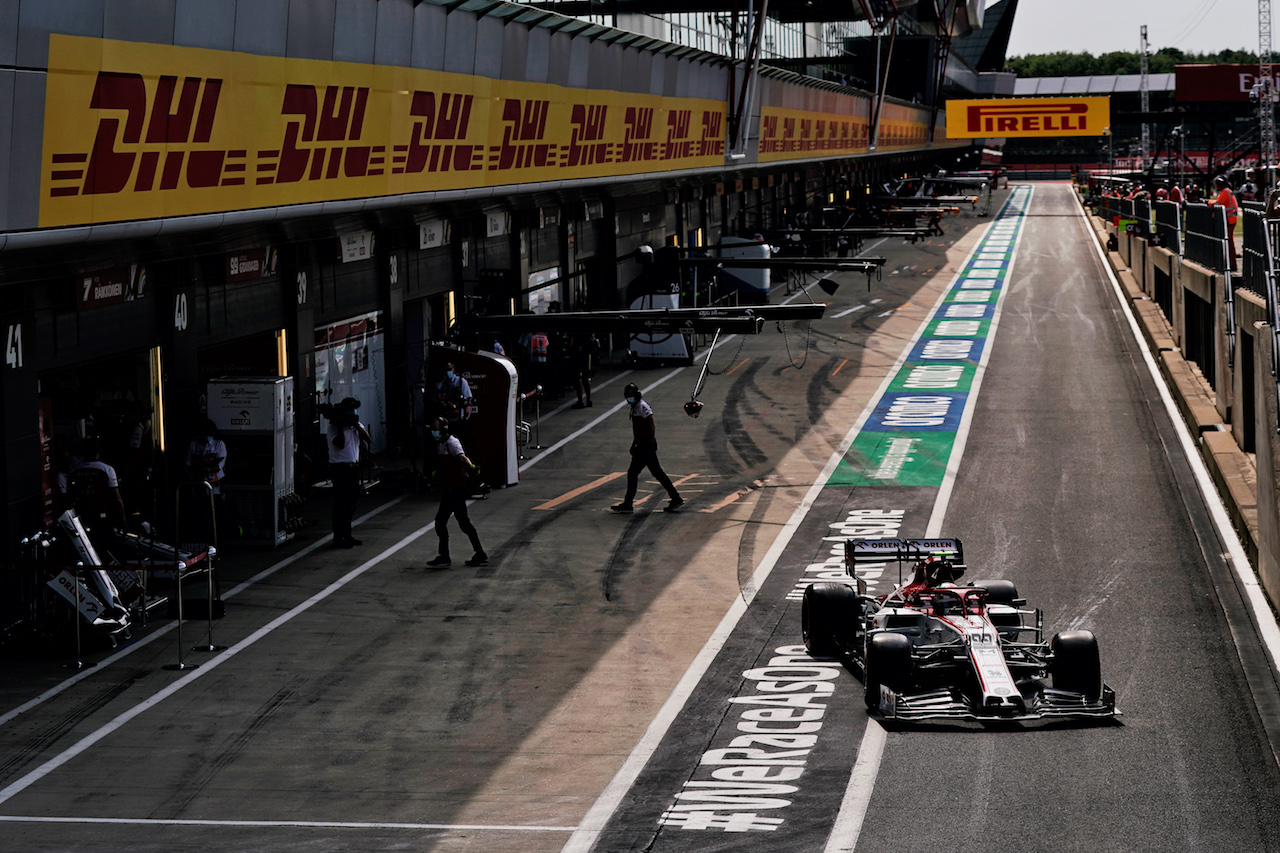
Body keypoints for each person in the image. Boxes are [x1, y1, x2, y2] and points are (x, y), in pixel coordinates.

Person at [611, 383, 684, 513]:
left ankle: (628, 503)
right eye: (627, 396)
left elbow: (651, 425)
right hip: (642, 446)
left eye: (631, 395)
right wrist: (634, 444)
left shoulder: (642, 407)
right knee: (657, 473)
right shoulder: (635, 407)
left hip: (645, 447)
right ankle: (675, 497)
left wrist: (648, 445)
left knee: (633, 473)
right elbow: (638, 430)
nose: (629, 398)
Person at [426, 417, 487, 567]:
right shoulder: (440, 444)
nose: (433, 432)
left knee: (444, 522)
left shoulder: (452, 443)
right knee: (460, 522)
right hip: (450, 487)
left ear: (444, 429)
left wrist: (471, 468)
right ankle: (477, 553)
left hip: (456, 489)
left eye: (436, 429)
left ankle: (447, 556)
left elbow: (461, 457)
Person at [327, 397, 370, 548]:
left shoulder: (355, 426)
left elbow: (367, 438)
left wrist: (356, 426)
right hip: (340, 468)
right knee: (341, 504)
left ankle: (347, 535)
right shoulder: (333, 428)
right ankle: (338, 538)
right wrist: (340, 426)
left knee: (351, 503)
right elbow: (340, 444)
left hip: (353, 468)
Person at [68, 435, 126, 531]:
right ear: (98, 452)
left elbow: (69, 495)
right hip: (102, 516)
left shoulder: (74, 470)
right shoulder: (107, 469)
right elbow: (117, 498)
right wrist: (123, 521)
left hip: (81, 516)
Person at [185, 419, 227, 494]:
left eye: (209, 433)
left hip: (215, 483)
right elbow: (187, 462)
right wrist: (196, 468)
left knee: (215, 502)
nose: (207, 436)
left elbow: (220, 465)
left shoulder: (219, 444)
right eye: (205, 433)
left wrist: (208, 469)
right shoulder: (194, 444)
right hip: (198, 481)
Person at [1208, 174, 1240, 270]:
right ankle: (1230, 263)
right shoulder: (1227, 191)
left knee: (1229, 242)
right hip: (1230, 219)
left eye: (1218, 184)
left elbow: (1218, 203)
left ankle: (1231, 264)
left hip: (1229, 220)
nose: (1217, 186)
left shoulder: (1225, 192)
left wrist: (1209, 202)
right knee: (1229, 241)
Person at [435, 362, 472, 437]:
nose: (447, 372)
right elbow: (435, 401)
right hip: (445, 419)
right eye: (445, 370)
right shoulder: (440, 385)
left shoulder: (461, 382)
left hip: (458, 419)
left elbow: (468, 400)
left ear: (453, 370)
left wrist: (455, 405)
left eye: (449, 369)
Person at [570, 332, 600, 409]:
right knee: (585, 377)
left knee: (578, 378)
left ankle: (580, 401)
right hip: (586, 352)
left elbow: (572, 341)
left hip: (577, 352)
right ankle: (588, 400)